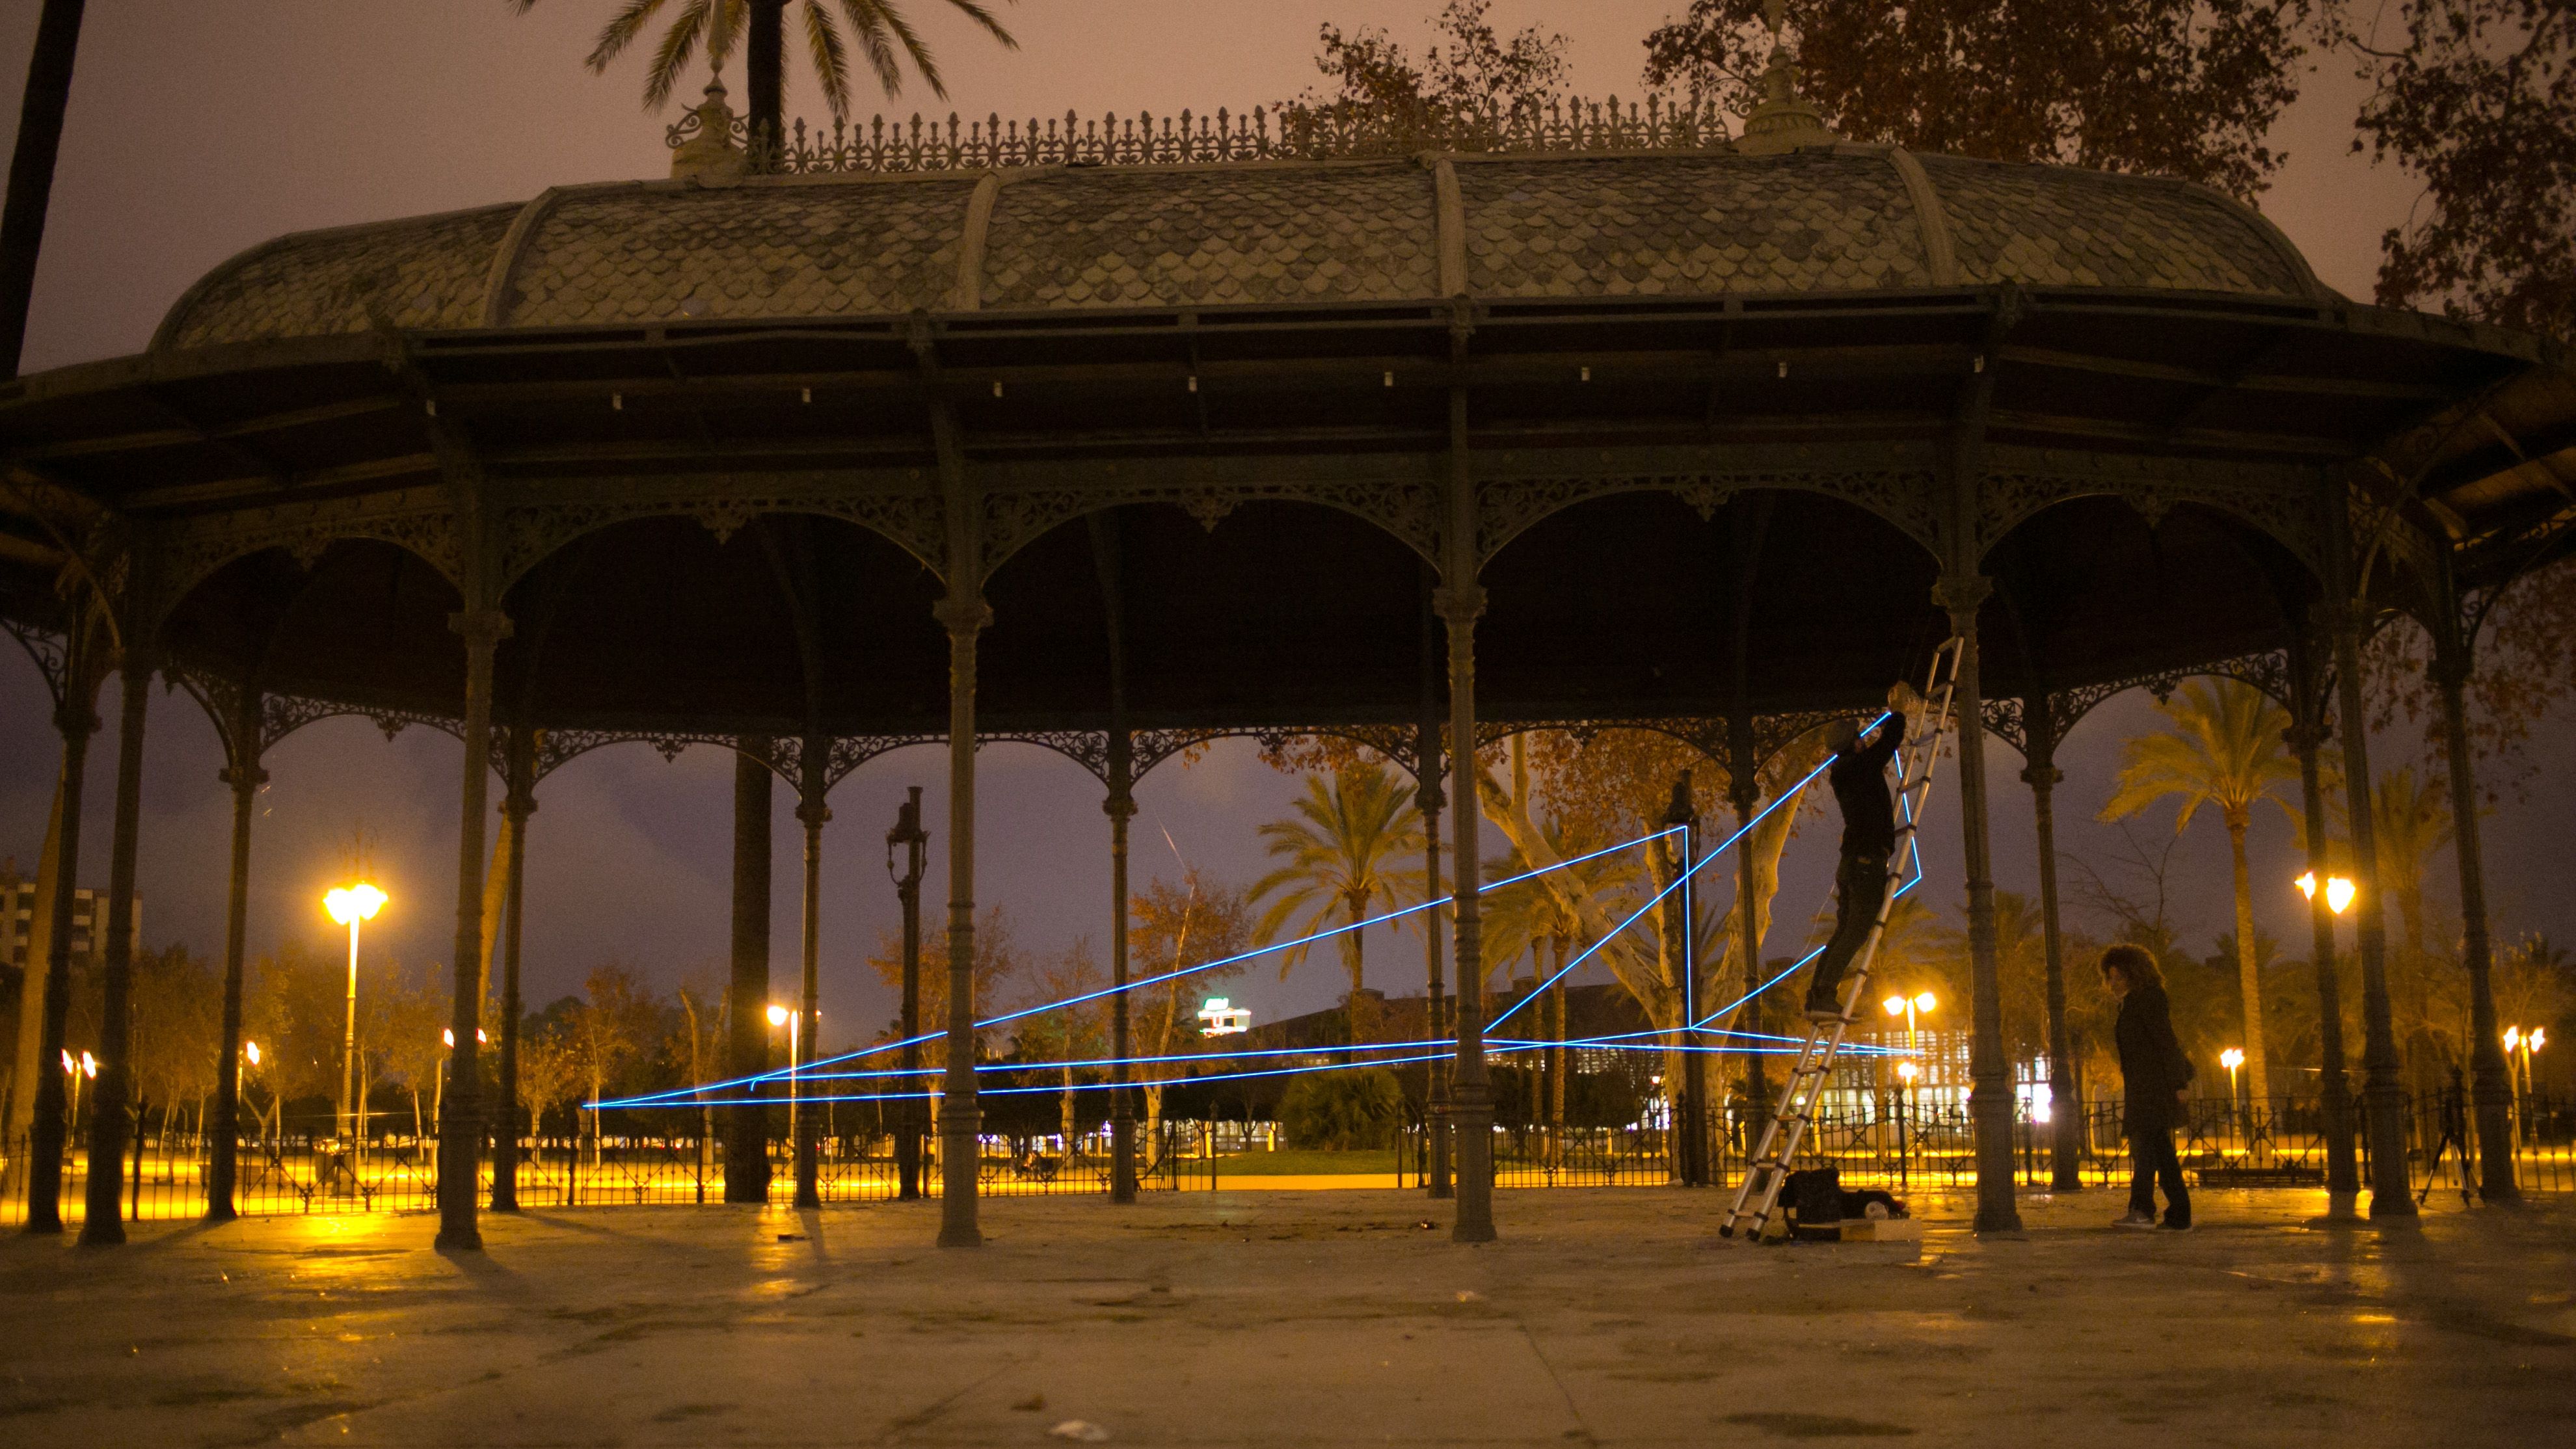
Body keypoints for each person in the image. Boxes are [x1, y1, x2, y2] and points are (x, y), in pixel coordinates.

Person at [1801, 707, 1905, 1020]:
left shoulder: (1845, 770)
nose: (1864, 740)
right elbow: (1890, 742)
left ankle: (1818, 996)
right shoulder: (1861, 767)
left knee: (1844, 931)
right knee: (1856, 932)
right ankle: (1824, 994)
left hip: (1853, 862)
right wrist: (1899, 713)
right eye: (1860, 737)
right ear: (1855, 743)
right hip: (1865, 862)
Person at [2104, 943, 2195, 1230]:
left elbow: (2166, 1042)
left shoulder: (2148, 1001)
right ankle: (2178, 1214)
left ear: (2134, 974)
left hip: (2154, 1088)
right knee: (2160, 1151)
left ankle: (2143, 1210)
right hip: (2145, 1086)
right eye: (2111, 977)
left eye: (2119, 977)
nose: (2113, 983)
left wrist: (2179, 1083)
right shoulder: (2134, 1003)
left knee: (2147, 1148)